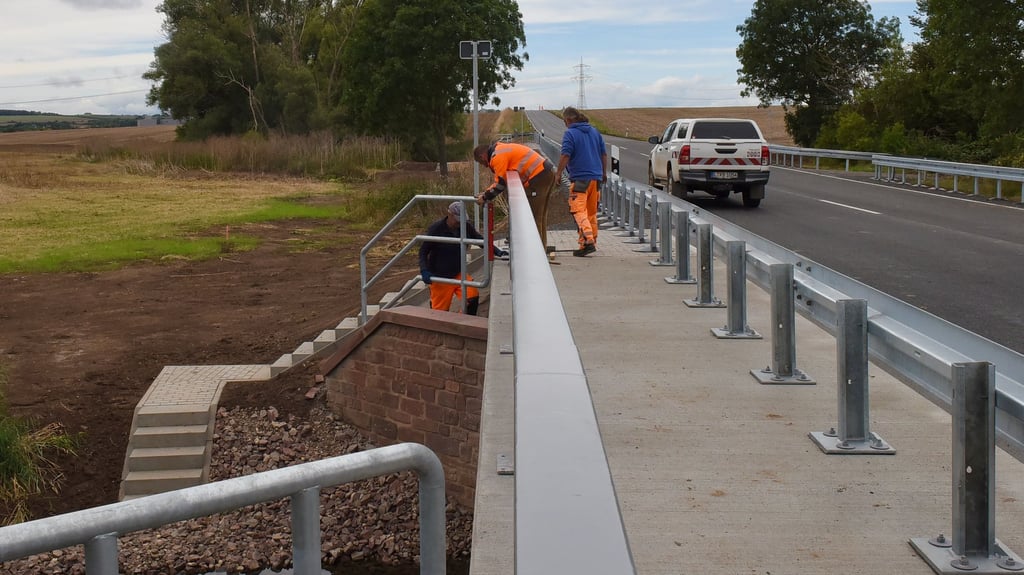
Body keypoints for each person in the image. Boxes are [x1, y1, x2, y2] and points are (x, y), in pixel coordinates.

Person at [419, 201, 506, 315]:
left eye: (462, 220)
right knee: (440, 313)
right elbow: (423, 251)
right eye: (457, 220)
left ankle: (465, 323)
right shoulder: (436, 229)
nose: (460, 223)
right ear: (449, 215)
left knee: (472, 296)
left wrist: (497, 251)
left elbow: (479, 240)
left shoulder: (465, 226)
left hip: (458, 273)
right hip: (440, 276)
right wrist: (424, 270)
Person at [473, 141, 557, 252]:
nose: (484, 165)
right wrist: (486, 193)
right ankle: (541, 249)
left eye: (480, 162)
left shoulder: (497, 157)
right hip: (545, 172)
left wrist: (484, 198)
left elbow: (500, 184)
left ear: (482, 156)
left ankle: (537, 252)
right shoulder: (500, 149)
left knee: (534, 217)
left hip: (539, 177)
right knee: (540, 216)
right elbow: (500, 180)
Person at [554, 106, 607, 257]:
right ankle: (588, 243)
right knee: (591, 213)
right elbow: (603, 154)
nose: (565, 124)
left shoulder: (570, 134)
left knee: (578, 210)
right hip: (595, 179)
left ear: (569, 120)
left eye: (564, 121)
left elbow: (565, 155)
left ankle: (588, 241)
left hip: (580, 179)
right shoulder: (594, 131)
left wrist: (558, 174)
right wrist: (603, 173)